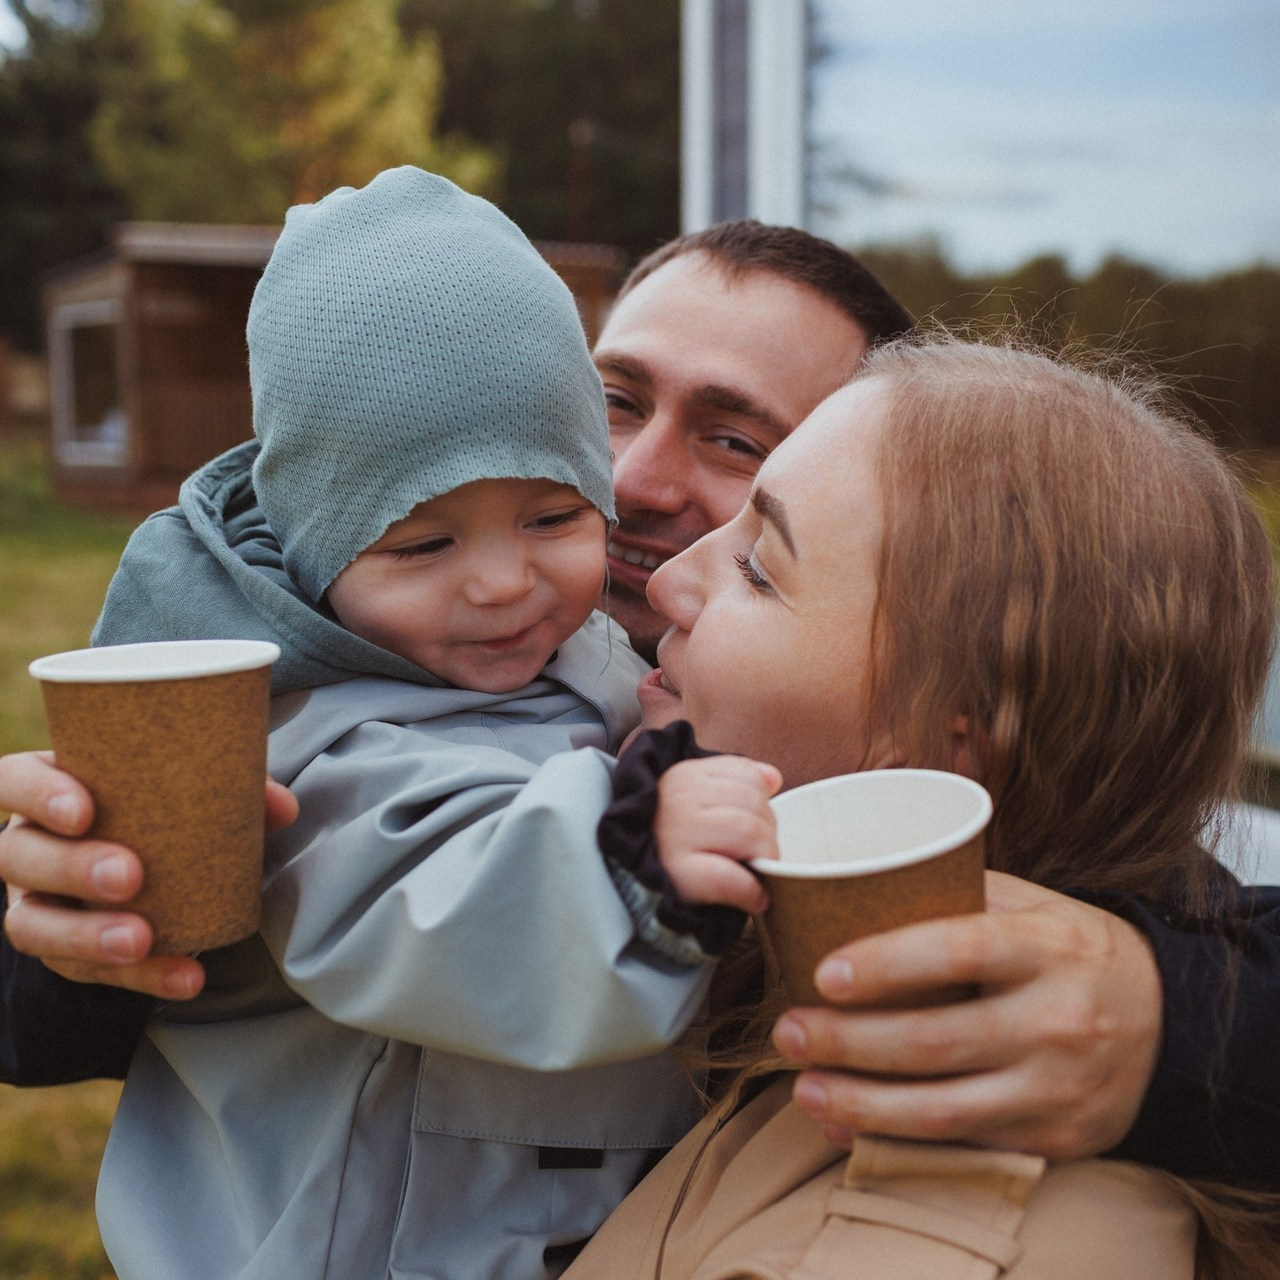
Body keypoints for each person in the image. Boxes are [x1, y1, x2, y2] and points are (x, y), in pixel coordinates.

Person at [2, 220, 1279, 1186]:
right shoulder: (366, 692)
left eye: (740, 445)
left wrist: (1170, 1025)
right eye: (608, 401)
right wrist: (70, 939)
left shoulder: (977, 833)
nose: (633, 478)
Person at [76, 165, 749, 1280]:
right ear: (312, 551)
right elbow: (430, 892)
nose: (501, 583)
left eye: (551, 514)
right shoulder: (302, 736)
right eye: (420, 544)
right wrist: (635, 852)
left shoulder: (570, 648)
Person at [568, 338, 1280, 1277]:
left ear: (956, 735)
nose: (664, 582)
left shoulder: (949, 1234)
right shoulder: (745, 968)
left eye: (757, 569)